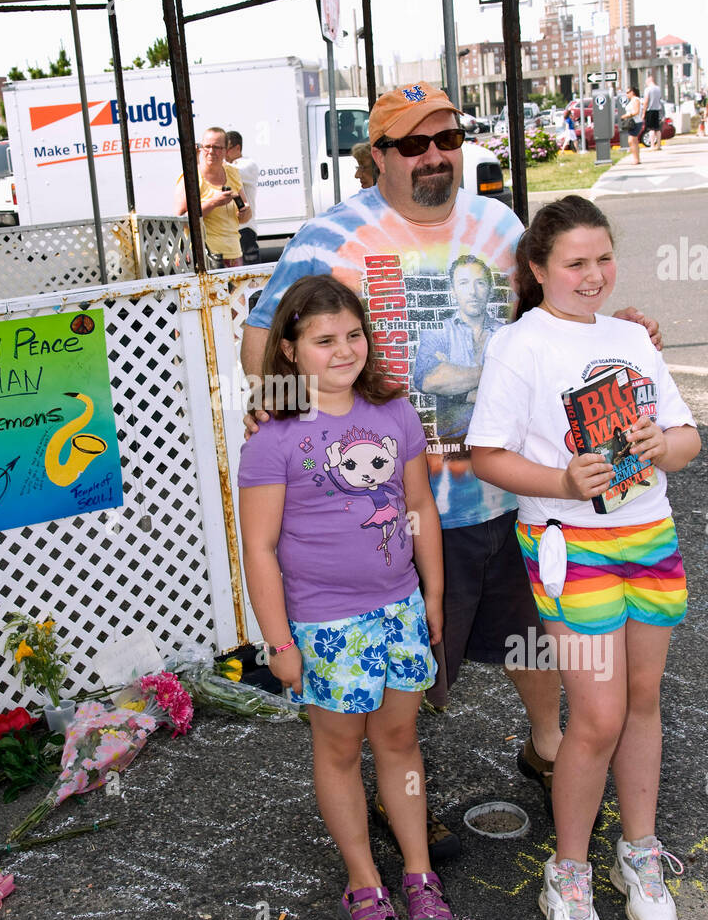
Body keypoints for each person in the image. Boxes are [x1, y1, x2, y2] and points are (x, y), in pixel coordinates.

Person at [240, 81, 661, 856]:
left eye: (446, 139)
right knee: (408, 663)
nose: (433, 156)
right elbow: (263, 336)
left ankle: (543, 748)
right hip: (393, 506)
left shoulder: (499, 226)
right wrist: (278, 403)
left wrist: (617, 334)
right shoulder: (330, 235)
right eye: (411, 144)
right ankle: (400, 798)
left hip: (512, 490)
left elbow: (555, 316)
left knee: (528, 634)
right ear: (379, 156)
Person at [467, 196, 699, 920]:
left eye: (603, 258)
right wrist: (563, 484)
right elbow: (488, 453)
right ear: (538, 270)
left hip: (649, 533)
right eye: (575, 262)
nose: (593, 275)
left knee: (641, 699)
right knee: (595, 715)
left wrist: (658, 445)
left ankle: (640, 853)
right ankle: (567, 873)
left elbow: (688, 436)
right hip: (570, 542)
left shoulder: (631, 335)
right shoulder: (519, 344)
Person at [238, 274, 455, 920]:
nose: (342, 350)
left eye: (353, 335)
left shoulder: (395, 413)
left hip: (399, 611)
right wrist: (279, 641)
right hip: (324, 626)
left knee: (399, 742)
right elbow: (260, 546)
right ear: (291, 352)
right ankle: (364, 881)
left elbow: (420, 510)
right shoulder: (272, 436)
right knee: (338, 748)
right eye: (323, 339)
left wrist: (434, 595)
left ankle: (417, 872)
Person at [412, 255, 504, 443]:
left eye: (480, 283)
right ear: (453, 291)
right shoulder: (438, 333)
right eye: (463, 283)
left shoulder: (507, 334)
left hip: (501, 441)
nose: (472, 292)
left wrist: (455, 385)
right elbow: (428, 382)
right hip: (453, 443)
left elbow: (515, 390)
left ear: (490, 289)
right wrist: (497, 371)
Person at [174, 126, 250, 268]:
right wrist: (213, 202)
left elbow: (245, 216)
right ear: (201, 148)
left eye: (216, 147)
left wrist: (244, 211)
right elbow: (181, 219)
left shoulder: (232, 173)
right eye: (207, 146)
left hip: (233, 253)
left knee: (236, 291)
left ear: (225, 150)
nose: (211, 151)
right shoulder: (190, 177)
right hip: (202, 256)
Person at [225, 130, 261, 264]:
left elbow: (231, 172)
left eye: (225, 150)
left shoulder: (248, 164)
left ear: (237, 148)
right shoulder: (228, 166)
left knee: (251, 278)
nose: (223, 155)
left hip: (245, 228)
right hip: (230, 230)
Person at [642, 75, 664, 151]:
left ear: (648, 81)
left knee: (651, 129)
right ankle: (658, 145)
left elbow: (646, 101)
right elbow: (660, 99)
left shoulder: (647, 89)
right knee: (657, 129)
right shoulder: (658, 89)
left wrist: (643, 112)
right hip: (657, 110)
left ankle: (652, 145)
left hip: (649, 110)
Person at [622, 86, 643, 166]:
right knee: (634, 141)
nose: (627, 94)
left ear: (632, 92)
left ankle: (636, 159)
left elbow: (636, 111)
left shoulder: (636, 100)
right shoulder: (631, 101)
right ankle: (636, 158)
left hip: (636, 122)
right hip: (633, 122)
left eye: (628, 92)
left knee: (631, 140)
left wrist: (627, 116)